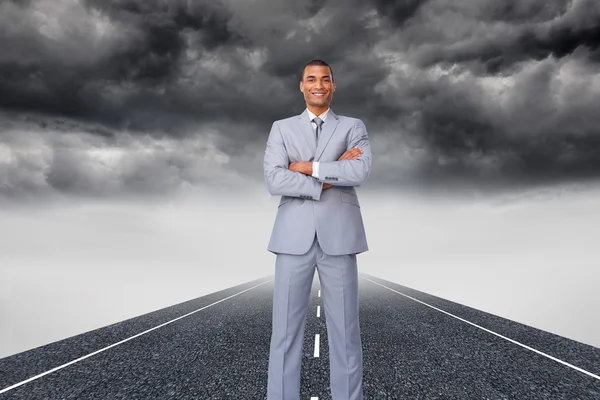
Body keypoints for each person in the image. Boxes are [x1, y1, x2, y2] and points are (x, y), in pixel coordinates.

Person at [263, 59, 372, 400]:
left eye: (325, 79)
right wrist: (326, 179)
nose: (319, 84)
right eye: (311, 79)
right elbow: (274, 178)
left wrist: (307, 167)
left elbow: (359, 172)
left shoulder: (353, 126)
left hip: (339, 239)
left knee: (345, 335)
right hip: (292, 239)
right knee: (284, 334)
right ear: (301, 85)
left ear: (334, 86)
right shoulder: (281, 128)